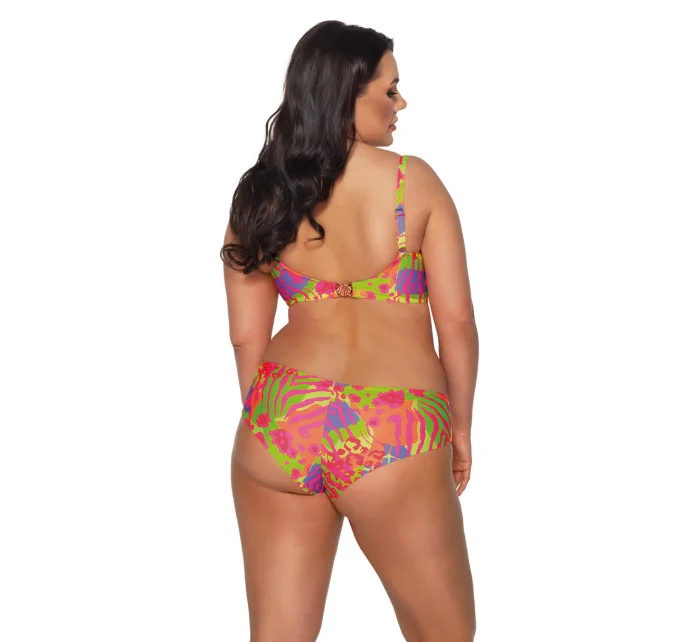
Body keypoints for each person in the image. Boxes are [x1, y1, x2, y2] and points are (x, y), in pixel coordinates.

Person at [221, 20, 479, 642]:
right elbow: (457, 324)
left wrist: (278, 424)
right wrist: (460, 430)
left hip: (281, 417)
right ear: (347, 94)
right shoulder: (412, 182)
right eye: (389, 90)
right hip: (394, 424)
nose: (401, 104)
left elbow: (246, 339)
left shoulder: (263, 194)